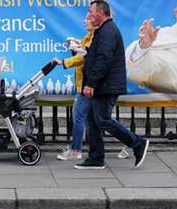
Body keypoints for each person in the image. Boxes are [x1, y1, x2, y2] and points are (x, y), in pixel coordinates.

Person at [74, 0, 149, 170]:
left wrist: (91, 83)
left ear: (100, 13)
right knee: (92, 121)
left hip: (105, 86)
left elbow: (104, 59)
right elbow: (97, 56)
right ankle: (96, 158)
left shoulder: (108, 31)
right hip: (102, 84)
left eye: (90, 12)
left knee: (102, 119)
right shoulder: (102, 31)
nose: (88, 16)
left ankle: (137, 143)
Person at [53, 16, 130, 161]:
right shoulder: (88, 36)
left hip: (89, 84)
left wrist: (64, 62)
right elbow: (83, 54)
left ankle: (76, 150)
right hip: (86, 83)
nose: (85, 20)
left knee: (81, 115)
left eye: (88, 18)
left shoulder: (98, 36)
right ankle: (132, 141)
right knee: (100, 119)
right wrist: (76, 48)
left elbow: (85, 58)